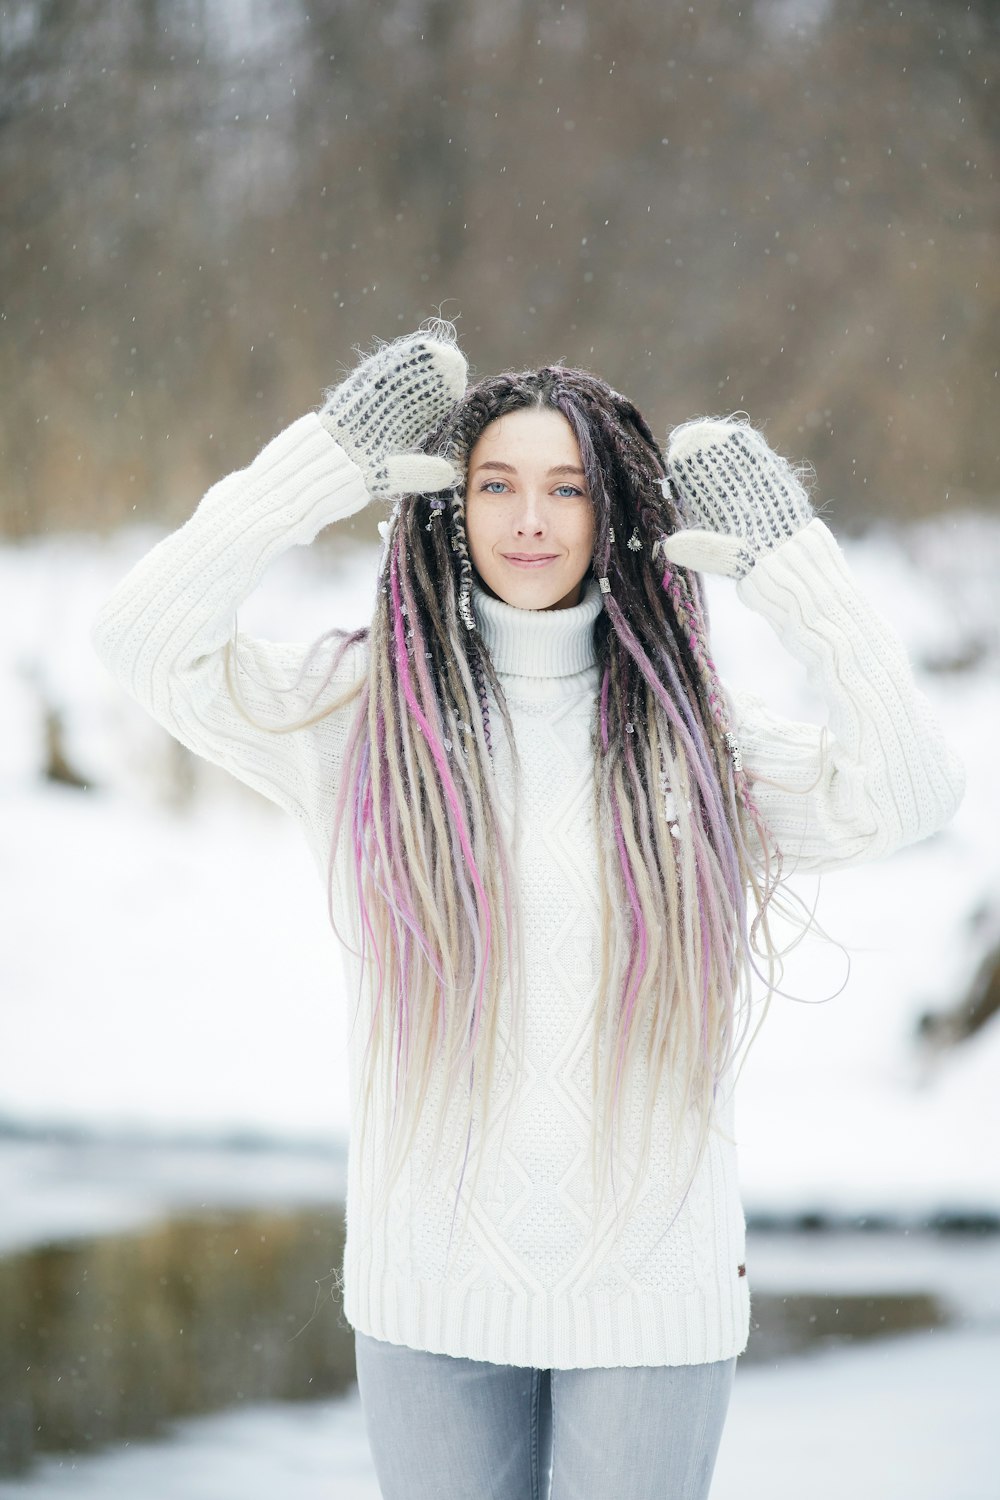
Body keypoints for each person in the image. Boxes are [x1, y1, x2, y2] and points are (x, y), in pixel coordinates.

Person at [91, 323, 964, 1500]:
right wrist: (327, 461)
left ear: (615, 515)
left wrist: (791, 565)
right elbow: (142, 637)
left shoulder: (696, 744)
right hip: (428, 1287)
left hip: (654, 1295)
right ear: (446, 506)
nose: (529, 520)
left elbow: (908, 794)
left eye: (566, 488)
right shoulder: (361, 718)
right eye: (494, 485)